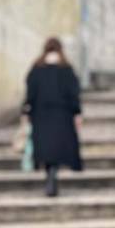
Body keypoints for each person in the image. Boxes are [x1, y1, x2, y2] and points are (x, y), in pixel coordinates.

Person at [23, 37, 83, 197]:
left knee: (45, 147)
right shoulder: (67, 69)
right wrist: (77, 112)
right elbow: (74, 93)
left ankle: (50, 174)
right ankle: (53, 174)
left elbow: (30, 92)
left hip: (41, 115)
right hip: (62, 115)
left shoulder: (36, 69)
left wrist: (27, 111)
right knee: (57, 147)